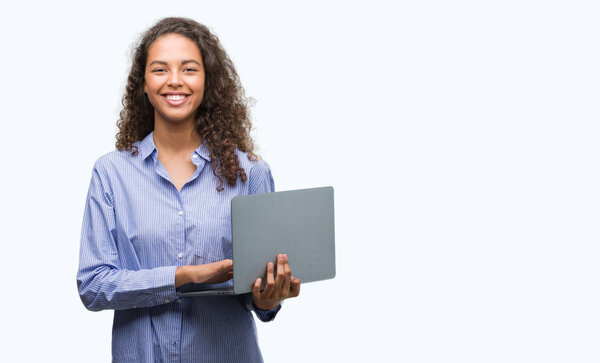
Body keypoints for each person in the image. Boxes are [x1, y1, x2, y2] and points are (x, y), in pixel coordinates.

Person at [76, 17, 300, 362]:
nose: (175, 81)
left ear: (207, 81)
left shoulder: (250, 173)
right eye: (160, 70)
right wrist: (184, 276)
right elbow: (93, 286)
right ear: (144, 84)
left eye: (189, 69)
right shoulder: (111, 173)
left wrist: (268, 298)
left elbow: (261, 295)